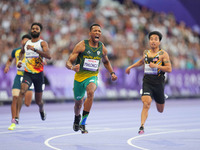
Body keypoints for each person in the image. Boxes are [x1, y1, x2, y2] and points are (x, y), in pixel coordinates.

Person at [66, 23, 118, 134]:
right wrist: (72, 67)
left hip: (92, 76)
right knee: (78, 103)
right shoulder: (82, 45)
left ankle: (83, 123)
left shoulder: (102, 48)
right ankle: (77, 118)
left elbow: (106, 62)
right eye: (95, 31)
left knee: (90, 92)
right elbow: (68, 62)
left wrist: (112, 73)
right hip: (79, 78)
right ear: (90, 33)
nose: (97, 33)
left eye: (99, 31)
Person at [125, 31, 172, 134]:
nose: (153, 41)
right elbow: (142, 61)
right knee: (146, 103)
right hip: (147, 82)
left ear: (159, 42)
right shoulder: (146, 52)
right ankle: (141, 126)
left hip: (159, 83)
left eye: (155, 39)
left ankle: (161, 97)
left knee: (160, 110)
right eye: (151, 39)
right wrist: (131, 67)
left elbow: (169, 69)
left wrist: (157, 66)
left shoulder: (163, 54)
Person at [16, 22, 51, 124]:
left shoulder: (42, 43)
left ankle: (41, 110)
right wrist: (19, 61)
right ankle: (16, 116)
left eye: (37, 29)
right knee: (22, 91)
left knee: (38, 101)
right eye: (33, 28)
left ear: (40, 31)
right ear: (31, 30)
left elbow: (49, 56)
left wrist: (35, 50)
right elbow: (22, 52)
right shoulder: (26, 43)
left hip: (39, 74)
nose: (34, 30)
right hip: (28, 73)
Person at [4, 34, 33, 130]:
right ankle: (13, 120)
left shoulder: (33, 51)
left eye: (27, 42)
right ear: (22, 42)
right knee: (15, 97)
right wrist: (7, 66)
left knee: (28, 103)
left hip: (29, 77)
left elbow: (40, 60)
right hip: (19, 76)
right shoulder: (15, 51)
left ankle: (23, 97)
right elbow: (9, 59)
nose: (25, 43)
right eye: (24, 41)